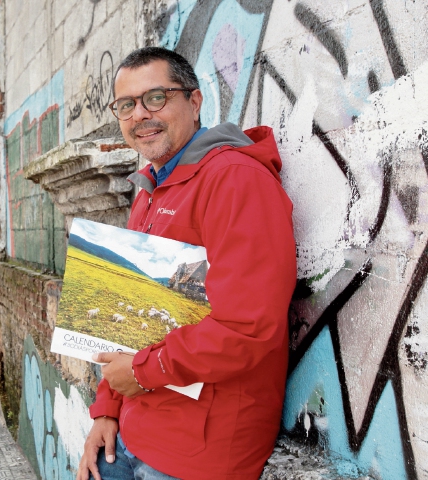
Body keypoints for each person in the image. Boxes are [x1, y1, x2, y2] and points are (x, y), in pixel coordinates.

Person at [76, 47, 297, 480]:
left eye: (155, 97)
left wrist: (141, 371)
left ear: (193, 103)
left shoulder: (236, 179)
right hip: (130, 433)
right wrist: (106, 410)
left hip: (198, 456)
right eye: (126, 105)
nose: (140, 114)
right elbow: (127, 321)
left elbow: (248, 327)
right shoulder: (149, 190)